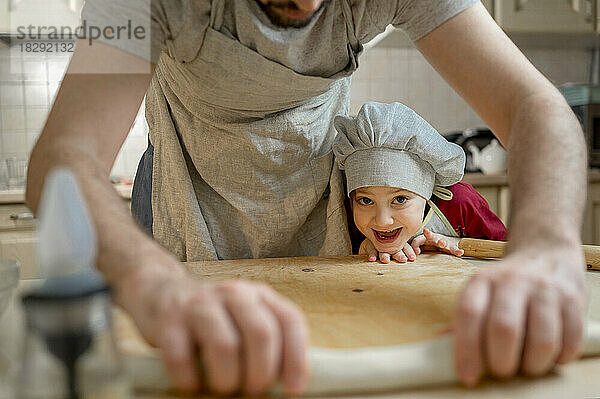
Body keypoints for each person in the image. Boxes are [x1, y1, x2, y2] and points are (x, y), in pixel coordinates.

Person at [25, 0, 587, 395]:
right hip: (189, 180)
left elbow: (535, 108)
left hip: (311, 179)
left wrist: (542, 244)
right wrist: (156, 284)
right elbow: (64, 159)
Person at [333, 102, 507, 264]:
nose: (383, 221)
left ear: (426, 191)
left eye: (400, 199)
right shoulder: (346, 213)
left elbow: (510, 250)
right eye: (366, 200)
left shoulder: (459, 201)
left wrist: (459, 243)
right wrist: (360, 249)